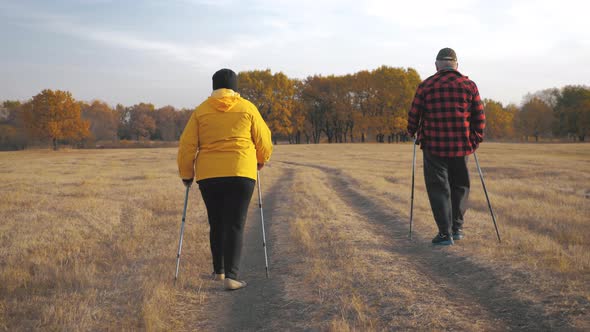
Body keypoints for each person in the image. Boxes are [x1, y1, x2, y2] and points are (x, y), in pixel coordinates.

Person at [177, 68, 273, 290]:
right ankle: (232, 276)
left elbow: (187, 145)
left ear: (214, 86)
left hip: (209, 176)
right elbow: (264, 140)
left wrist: (186, 175)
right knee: (235, 223)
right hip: (242, 173)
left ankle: (219, 271)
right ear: (235, 87)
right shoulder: (248, 108)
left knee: (217, 222)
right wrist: (260, 160)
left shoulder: (201, 111)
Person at [407, 48, 485, 246]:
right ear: (456, 65)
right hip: (461, 147)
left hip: (434, 147)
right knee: (460, 187)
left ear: (436, 65)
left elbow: (413, 115)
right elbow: (479, 118)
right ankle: (456, 229)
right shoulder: (469, 86)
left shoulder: (426, 86)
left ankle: (444, 234)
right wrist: (474, 140)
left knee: (438, 188)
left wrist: (412, 132)